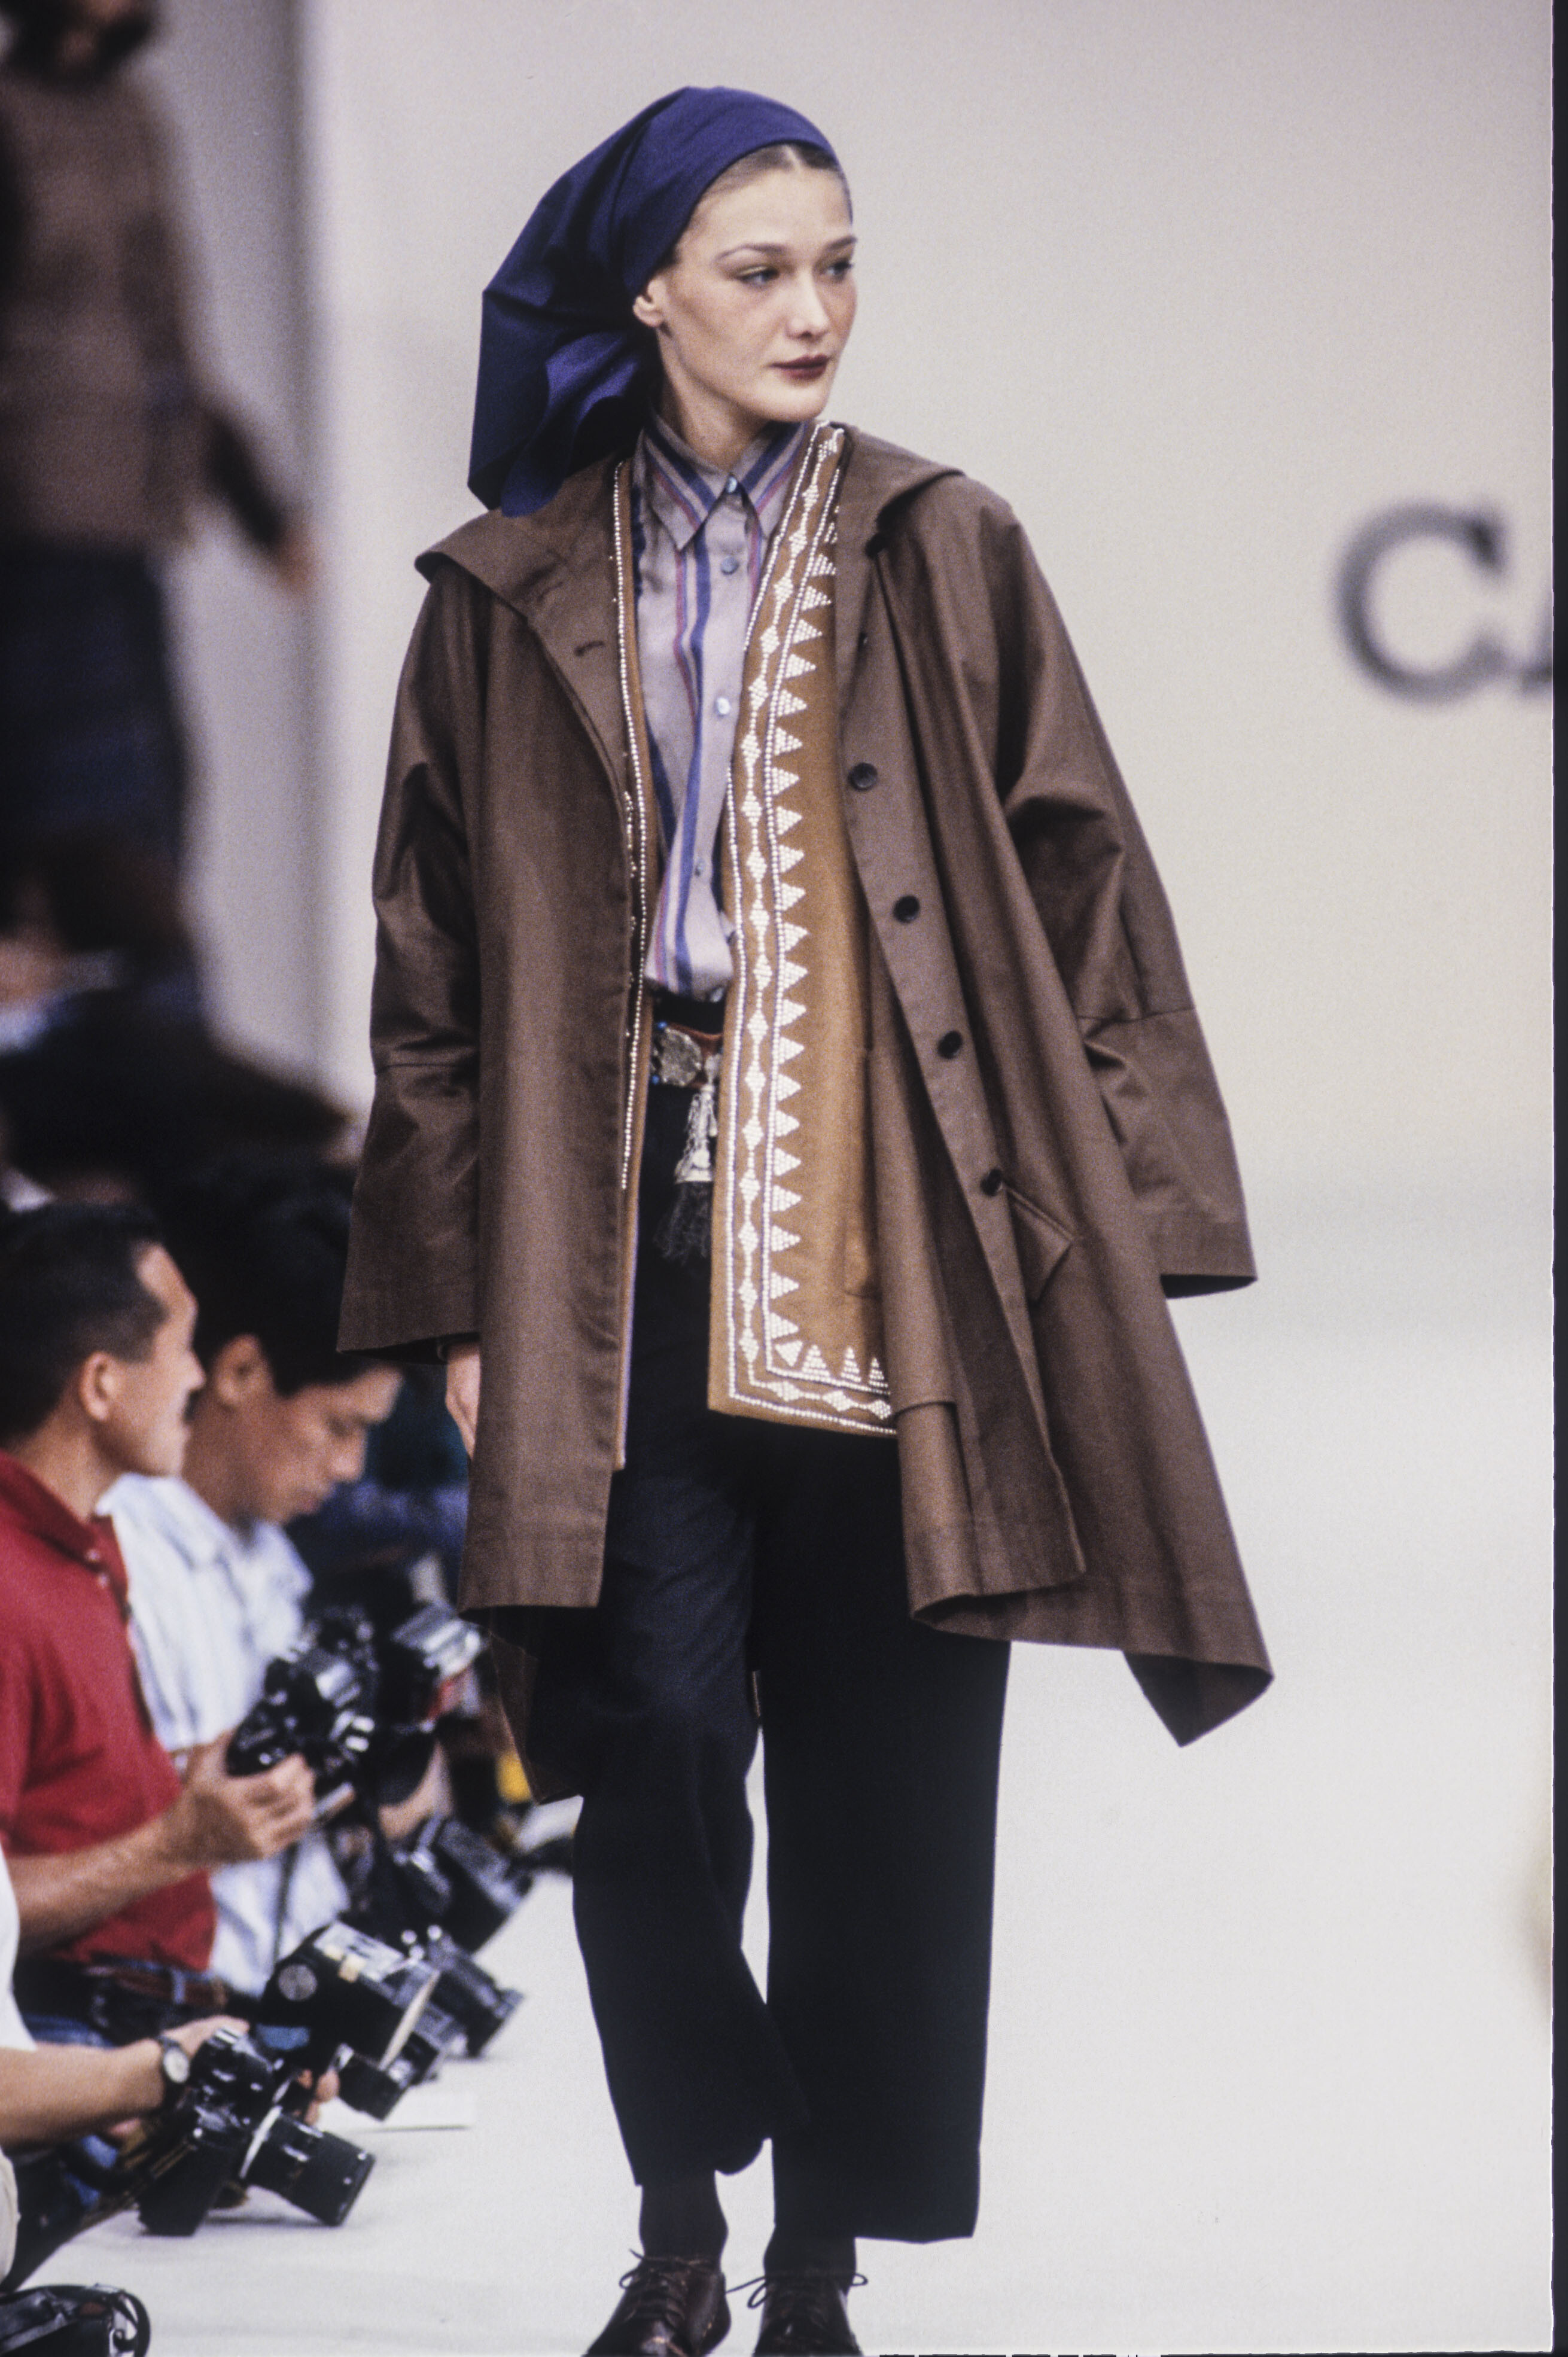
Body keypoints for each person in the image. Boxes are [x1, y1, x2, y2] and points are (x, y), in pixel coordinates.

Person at [340, 87, 1272, 2357]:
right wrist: (453, 1289)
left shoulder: (943, 543)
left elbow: (1084, 875)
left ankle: (805, 2269)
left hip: (903, 1247)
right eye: (759, 268)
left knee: (886, 1771)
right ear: (647, 289)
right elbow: (429, 966)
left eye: (837, 263)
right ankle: (681, 2205)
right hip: (610, 1260)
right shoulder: (506, 585)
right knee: (644, 1743)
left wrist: (1119, 1233)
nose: (813, 309)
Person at [0, 0, 310, 878]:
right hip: (34, 525)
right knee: (61, 822)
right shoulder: (10, 116)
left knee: (152, 815)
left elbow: (166, 332)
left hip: (129, 524)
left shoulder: (131, 112)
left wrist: (256, 502)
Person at [0, 1202, 315, 2044]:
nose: (198, 1379)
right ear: (101, 1384)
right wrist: (179, 1843)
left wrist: (193, 1787)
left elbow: (61, 1800)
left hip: (156, 2023)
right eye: (183, 1347)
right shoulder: (10, 1581)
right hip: (79, 2045)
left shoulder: (83, 1546)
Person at [110, 1158, 402, 1996]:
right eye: (340, 1426)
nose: (351, 1468)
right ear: (239, 1372)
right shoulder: (119, 1564)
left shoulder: (270, 1558)